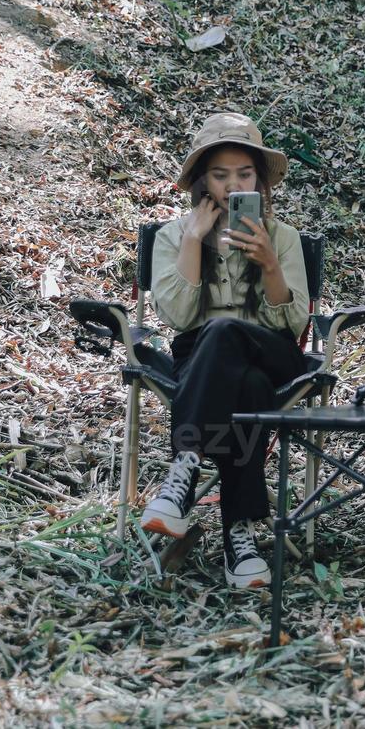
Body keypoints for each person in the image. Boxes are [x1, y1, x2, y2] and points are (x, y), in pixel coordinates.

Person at [140, 112, 310, 589]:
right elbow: (177, 316)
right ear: (201, 180)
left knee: (229, 336)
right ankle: (240, 534)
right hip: (205, 357)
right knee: (242, 379)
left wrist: (271, 265)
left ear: (259, 179)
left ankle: (186, 465)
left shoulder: (284, 238)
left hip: (273, 350)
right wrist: (194, 238)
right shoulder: (172, 236)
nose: (232, 183)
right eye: (220, 174)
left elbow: (293, 323)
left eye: (244, 173)